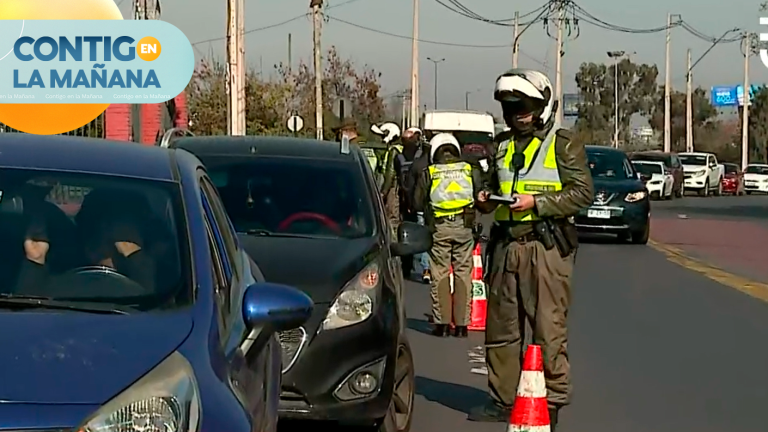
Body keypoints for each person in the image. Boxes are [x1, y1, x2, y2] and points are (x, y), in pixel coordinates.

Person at [467, 69, 593, 428]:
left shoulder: (562, 143)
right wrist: (485, 199)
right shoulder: (502, 145)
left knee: (547, 329)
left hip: (545, 248)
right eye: (511, 109)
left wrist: (537, 202)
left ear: (542, 107)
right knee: (501, 329)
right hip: (506, 247)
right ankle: (503, 399)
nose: (518, 115)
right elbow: (493, 187)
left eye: (524, 108)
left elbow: (583, 193)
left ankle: (550, 401)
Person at [14, 189, 159, 294]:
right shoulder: (61, 279)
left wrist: (136, 259)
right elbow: (28, 307)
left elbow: (152, 307)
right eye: (94, 230)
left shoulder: (166, 285)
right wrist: (35, 261)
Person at [413, 133, 485, 337]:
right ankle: (462, 326)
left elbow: (417, 202)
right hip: (465, 227)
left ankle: (442, 324)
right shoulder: (469, 169)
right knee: (463, 274)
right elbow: (480, 196)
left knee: (440, 274)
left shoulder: (430, 172)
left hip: (439, 228)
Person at [402, 128, 432, 283]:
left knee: (424, 238)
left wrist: (411, 204)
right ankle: (431, 268)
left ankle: (426, 269)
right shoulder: (437, 165)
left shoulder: (417, 165)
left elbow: (409, 187)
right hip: (436, 207)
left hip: (420, 207)